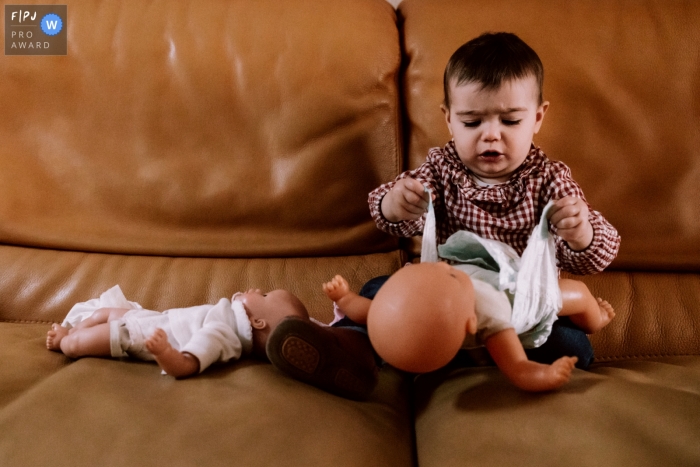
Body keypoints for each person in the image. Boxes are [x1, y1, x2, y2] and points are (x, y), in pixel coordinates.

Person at [266, 31, 620, 399]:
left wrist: (582, 234)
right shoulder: (441, 168)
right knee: (380, 291)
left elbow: (599, 255)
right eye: (472, 122)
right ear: (449, 120)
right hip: (441, 306)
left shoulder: (551, 181)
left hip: (518, 313)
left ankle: (482, 357)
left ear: (538, 118)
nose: (491, 136)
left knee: (574, 346)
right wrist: (396, 203)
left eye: (510, 121)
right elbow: (388, 215)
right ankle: (347, 349)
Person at [322, 263, 614, 392]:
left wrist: (345, 297)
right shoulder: (492, 313)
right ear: (471, 322)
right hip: (520, 298)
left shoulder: (433, 304)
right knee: (577, 293)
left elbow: (369, 312)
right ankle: (596, 319)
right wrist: (545, 376)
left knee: (377, 291)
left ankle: (346, 343)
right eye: (450, 274)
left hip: (452, 331)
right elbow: (517, 368)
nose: (442, 265)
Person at [46, 285, 310, 379]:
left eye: (264, 294)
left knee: (79, 344)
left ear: (259, 323)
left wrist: (165, 352)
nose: (256, 289)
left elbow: (188, 363)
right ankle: (71, 329)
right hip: (153, 318)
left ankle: (65, 342)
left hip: (140, 335)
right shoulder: (229, 315)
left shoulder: (226, 332)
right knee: (100, 314)